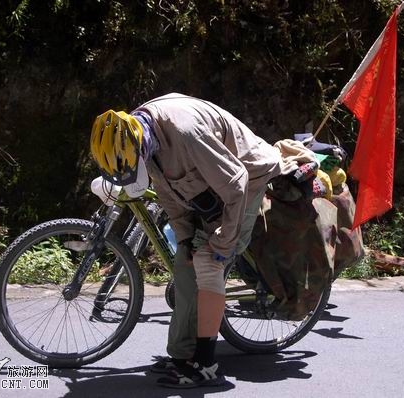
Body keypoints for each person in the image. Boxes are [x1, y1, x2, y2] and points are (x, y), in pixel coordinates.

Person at [89, 93, 284, 388]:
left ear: (142, 146)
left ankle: (206, 366)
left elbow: (236, 184)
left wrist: (221, 244)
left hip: (248, 176)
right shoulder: (133, 137)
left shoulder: (184, 132)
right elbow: (171, 198)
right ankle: (183, 358)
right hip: (209, 183)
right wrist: (184, 241)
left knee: (207, 262)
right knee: (184, 263)